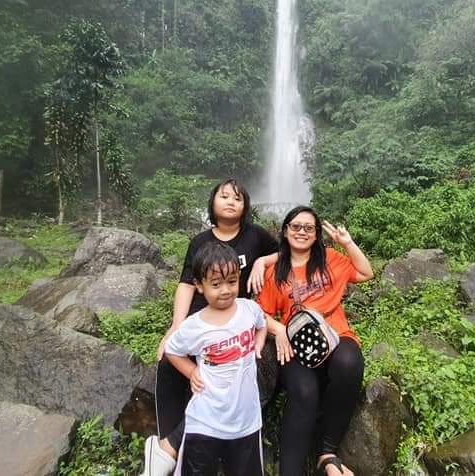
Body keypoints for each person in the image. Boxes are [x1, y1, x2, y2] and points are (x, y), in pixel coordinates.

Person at [148, 179, 278, 474]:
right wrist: (175, 326)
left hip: (235, 318)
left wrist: (262, 262)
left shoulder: (255, 235)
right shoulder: (200, 241)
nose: (231, 201)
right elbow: (186, 284)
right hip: (202, 317)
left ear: (245, 206)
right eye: (224, 196)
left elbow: (284, 250)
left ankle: (174, 444)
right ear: (213, 202)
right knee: (168, 362)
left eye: (238, 198)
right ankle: (166, 449)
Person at [257, 206, 373, 476]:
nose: (302, 232)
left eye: (309, 228)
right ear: (285, 231)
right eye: (296, 226)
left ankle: (327, 452)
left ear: (317, 234)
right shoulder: (274, 272)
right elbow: (260, 313)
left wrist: (347, 243)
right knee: (304, 392)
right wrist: (279, 329)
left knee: (349, 362)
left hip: (336, 335)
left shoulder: (330, 258)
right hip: (296, 344)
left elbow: (366, 273)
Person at [143, 242, 268, 476]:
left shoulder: (249, 309)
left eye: (232, 281)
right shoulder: (194, 326)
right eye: (216, 284)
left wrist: (258, 343)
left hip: (247, 424)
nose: (225, 290)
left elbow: (262, 325)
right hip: (205, 424)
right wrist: (191, 371)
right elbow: (172, 350)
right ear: (199, 286)